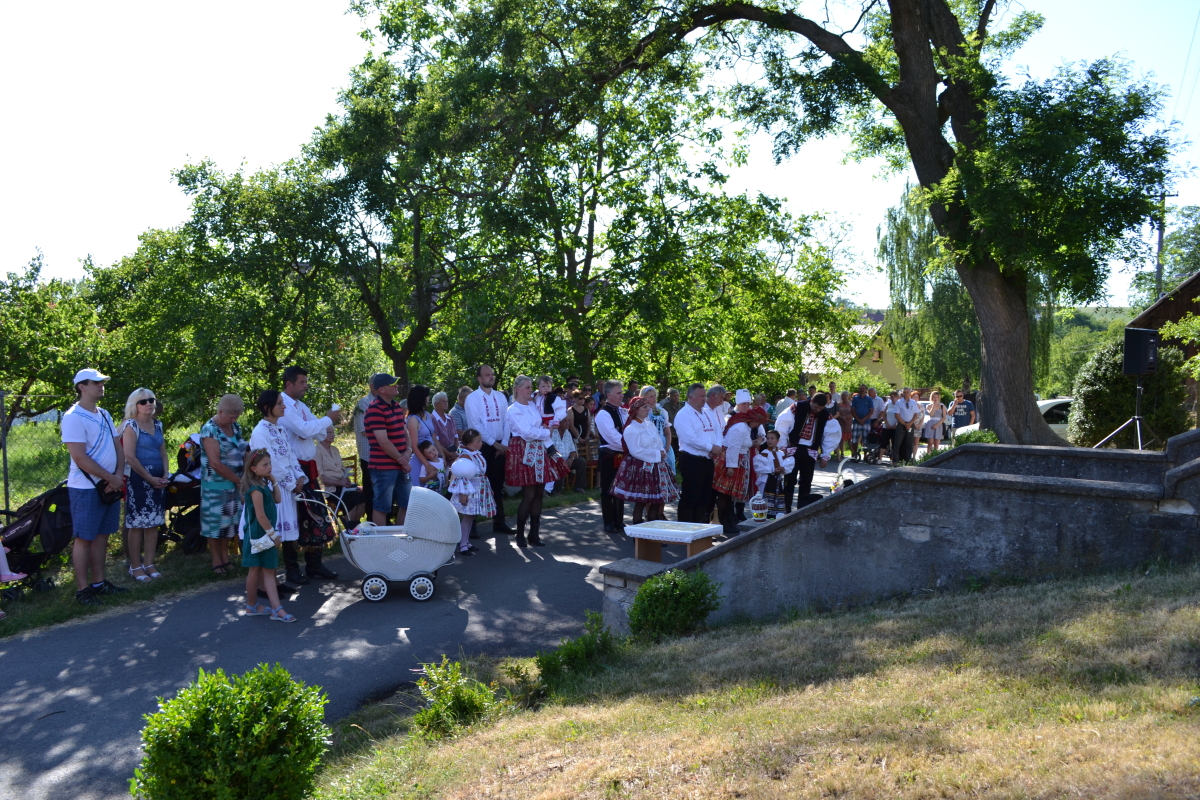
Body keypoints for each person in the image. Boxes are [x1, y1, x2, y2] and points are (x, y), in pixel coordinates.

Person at [61, 369, 128, 606]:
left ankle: (99, 583)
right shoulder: (73, 417)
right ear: (82, 386)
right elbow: (79, 457)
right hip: (86, 488)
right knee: (84, 538)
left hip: (110, 484)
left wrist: (118, 475)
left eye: (102, 382)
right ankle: (83, 590)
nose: (101, 386)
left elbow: (118, 447)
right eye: (96, 382)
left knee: (102, 536)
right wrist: (110, 478)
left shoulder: (105, 414)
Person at [278, 366, 341, 582]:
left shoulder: (301, 406)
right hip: (292, 468)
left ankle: (314, 564)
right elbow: (305, 430)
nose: (306, 386)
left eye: (306, 382)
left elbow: (320, 432)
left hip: (307, 467)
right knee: (294, 517)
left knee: (316, 514)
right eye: (302, 382)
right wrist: (327, 419)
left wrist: (317, 425)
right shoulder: (284, 405)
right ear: (289, 384)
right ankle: (292, 569)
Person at [505, 375, 570, 547]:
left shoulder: (533, 405)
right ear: (517, 389)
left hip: (539, 449)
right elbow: (527, 432)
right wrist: (547, 431)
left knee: (539, 493)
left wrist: (547, 428)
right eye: (527, 387)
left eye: (531, 386)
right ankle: (520, 533)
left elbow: (542, 423)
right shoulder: (513, 409)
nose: (530, 390)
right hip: (524, 450)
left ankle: (534, 533)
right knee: (529, 494)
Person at [250, 390, 305, 585]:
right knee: (274, 532)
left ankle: (291, 571)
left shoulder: (279, 428)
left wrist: (300, 476)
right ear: (267, 407)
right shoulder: (260, 432)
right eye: (280, 403)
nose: (284, 406)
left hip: (287, 489)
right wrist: (291, 484)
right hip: (273, 489)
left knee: (288, 532)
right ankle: (269, 582)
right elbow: (270, 463)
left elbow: (290, 455)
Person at [238, 448, 295, 623]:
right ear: (253, 469)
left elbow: (278, 499)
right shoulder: (255, 489)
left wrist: (274, 481)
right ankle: (262, 607)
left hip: (264, 534)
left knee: (266, 570)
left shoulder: (263, 484)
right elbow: (261, 516)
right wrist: (273, 535)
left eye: (269, 463)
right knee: (257, 569)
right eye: (265, 464)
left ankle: (262, 607)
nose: (269, 467)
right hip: (259, 535)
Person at [120, 388, 169, 582]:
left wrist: (165, 473)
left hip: (158, 481)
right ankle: (135, 566)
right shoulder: (131, 425)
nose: (148, 404)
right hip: (139, 481)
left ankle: (149, 563)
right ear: (135, 405)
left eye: (151, 400)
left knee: (154, 523)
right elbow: (130, 457)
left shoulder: (158, 424)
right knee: (137, 524)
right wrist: (149, 478)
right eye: (143, 401)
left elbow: (163, 452)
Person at [199, 394, 248, 576]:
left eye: (236, 416)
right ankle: (216, 560)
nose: (233, 420)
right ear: (220, 411)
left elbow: (243, 450)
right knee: (215, 527)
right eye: (230, 416)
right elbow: (215, 463)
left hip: (233, 487)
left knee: (228, 524)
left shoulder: (235, 427)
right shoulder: (209, 430)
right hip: (215, 488)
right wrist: (238, 480)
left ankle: (225, 558)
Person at [611, 397, 679, 525]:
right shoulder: (631, 429)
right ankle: (638, 530)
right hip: (641, 467)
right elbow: (635, 451)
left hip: (657, 465)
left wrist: (662, 451)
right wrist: (657, 454)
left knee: (657, 499)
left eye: (648, 407)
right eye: (645, 407)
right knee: (642, 501)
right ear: (636, 410)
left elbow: (658, 441)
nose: (648, 409)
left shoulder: (649, 424)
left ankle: (652, 527)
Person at [712, 390, 770, 536]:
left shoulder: (745, 426)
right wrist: (731, 467)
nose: (757, 425)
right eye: (758, 422)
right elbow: (733, 447)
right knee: (724, 494)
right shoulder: (740, 427)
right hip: (731, 460)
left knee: (729, 494)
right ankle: (724, 521)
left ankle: (730, 518)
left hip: (737, 459)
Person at [465, 365, 514, 534]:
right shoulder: (472, 398)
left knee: (497, 485)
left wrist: (504, 443)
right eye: (487, 375)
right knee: (477, 485)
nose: (491, 377)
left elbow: (507, 421)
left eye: (492, 374)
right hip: (481, 447)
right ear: (479, 378)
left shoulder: (500, 396)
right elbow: (475, 424)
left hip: (500, 447)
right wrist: (494, 443)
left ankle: (499, 522)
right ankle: (471, 526)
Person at [775, 392, 841, 510]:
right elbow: (782, 426)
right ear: (811, 401)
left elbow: (831, 435)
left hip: (810, 451)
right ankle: (786, 510)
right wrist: (783, 447)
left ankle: (802, 510)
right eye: (816, 407)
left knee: (806, 483)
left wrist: (825, 455)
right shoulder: (797, 407)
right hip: (793, 449)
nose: (817, 410)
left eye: (820, 408)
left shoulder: (825, 415)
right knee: (789, 480)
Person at [363, 373, 412, 526]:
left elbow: (405, 432)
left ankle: (401, 535)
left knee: (407, 503)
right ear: (382, 389)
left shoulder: (396, 406)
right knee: (382, 506)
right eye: (392, 384)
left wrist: (408, 450)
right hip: (383, 467)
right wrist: (403, 460)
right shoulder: (374, 409)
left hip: (401, 464)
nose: (396, 386)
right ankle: (381, 539)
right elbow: (383, 442)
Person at [674, 382, 721, 523]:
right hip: (692, 460)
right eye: (701, 396)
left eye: (705, 396)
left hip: (708, 460)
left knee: (705, 497)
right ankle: (686, 528)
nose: (704, 399)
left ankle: (700, 528)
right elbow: (690, 438)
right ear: (690, 397)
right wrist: (710, 447)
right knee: (691, 496)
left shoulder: (707, 412)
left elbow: (718, 430)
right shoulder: (683, 414)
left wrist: (717, 447)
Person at [448, 429, 495, 556]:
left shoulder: (475, 453)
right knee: (468, 517)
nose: (481, 443)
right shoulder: (465, 456)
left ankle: (466, 541)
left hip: (478, 488)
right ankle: (462, 544)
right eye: (477, 441)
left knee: (472, 517)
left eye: (480, 440)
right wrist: (463, 494)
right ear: (469, 444)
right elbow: (461, 476)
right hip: (469, 490)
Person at [595, 380, 629, 533]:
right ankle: (608, 522)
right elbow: (612, 437)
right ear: (609, 395)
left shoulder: (622, 411)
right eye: (618, 393)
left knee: (620, 489)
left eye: (622, 392)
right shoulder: (603, 413)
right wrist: (630, 446)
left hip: (623, 454)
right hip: (609, 455)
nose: (622, 395)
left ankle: (619, 520)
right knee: (608, 489)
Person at [315, 426, 364, 521]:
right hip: (329, 488)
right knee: (351, 501)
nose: (332, 435)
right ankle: (347, 527)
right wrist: (340, 483)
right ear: (321, 435)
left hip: (342, 485)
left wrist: (346, 479)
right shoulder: (317, 451)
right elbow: (319, 478)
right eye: (329, 432)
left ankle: (355, 526)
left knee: (362, 498)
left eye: (333, 432)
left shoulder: (335, 449)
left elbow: (342, 469)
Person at [407, 385, 451, 486]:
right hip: (421, 461)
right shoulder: (413, 419)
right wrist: (427, 465)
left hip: (432, 458)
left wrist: (442, 455)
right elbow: (414, 446)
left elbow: (434, 437)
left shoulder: (427, 414)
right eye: (426, 396)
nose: (428, 398)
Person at [353, 377, 381, 524]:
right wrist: (384, 436)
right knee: (370, 490)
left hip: (383, 455)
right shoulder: (363, 403)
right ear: (371, 386)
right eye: (379, 385)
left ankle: (383, 521)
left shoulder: (384, 402)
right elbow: (364, 430)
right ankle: (371, 522)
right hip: (369, 455)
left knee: (381, 490)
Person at [752, 430, 795, 518]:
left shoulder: (781, 453)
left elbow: (787, 464)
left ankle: (775, 517)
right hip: (767, 480)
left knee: (778, 499)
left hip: (778, 481)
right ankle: (762, 517)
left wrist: (783, 468)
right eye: (768, 438)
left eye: (772, 438)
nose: (769, 440)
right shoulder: (764, 453)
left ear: (777, 440)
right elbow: (759, 467)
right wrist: (772, 469)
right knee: (765, 500)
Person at [640, 386, 675, 477]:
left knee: (667, 472)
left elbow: (667, 431)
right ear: (644, 398)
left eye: (655, 395)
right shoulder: (643, 413)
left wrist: (667, 447)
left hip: (663, 442)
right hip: (649, 443)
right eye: (651, 396)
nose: (654, 398)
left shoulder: (662, 411)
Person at [563, 389, 591, 492]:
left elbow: (589, 424)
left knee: (584, 461)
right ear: (574, 399)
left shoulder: (586, 410)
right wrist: (579, 438)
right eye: (580, 398)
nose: (582, 400)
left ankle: (582, 484)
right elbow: (571, 425)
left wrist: (587, 437)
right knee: (575, 460)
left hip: (585, 439)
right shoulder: (570, 410)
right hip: (574, 439)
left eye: (583, 398)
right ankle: (570, 483)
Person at [892, 388, 923, 463]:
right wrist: (905, 424)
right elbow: (897, 415)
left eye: (907, 392)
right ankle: (896, 460)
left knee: (909, 443)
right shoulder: (899, 402)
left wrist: (910, 423)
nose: (906, 393)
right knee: (897, 443)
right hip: (901, 424)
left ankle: (907, 460)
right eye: (904, 392)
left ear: (909, 393)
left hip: (910, 424)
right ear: (902, 393)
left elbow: (916, 414)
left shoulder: (913, 402)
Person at [430, 391, 459, 461]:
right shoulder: (432, 418)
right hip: (440, 456)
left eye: (446, 401)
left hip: (454, 455)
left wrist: (457, 452)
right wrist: (448, 454)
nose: (446, 403)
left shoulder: (450, 418)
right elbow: (435, 441)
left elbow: (456, 438)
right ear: (436, 404)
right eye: (443, 401)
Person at [849, 385, 874, 460]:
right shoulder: (855, 398)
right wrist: (858, 419)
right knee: (854, 439)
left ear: (866, 390)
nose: (862, 390)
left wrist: (863, 420)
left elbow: (871, 411)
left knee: (865, 440)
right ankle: (855, 454)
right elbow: (852, 410)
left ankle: (865, 455)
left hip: (866, 422)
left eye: (863, 388)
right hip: (856, 422)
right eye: (861, 388)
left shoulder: (869, 399)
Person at [835, 391, 853, 459]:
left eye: (845, 396)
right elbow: (837, 413)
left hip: (848, 422)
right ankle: (842, 453)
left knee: (849, 438)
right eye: (843, 396)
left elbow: (853, 413)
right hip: (841, 422)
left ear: (848, 396)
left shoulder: (851, 404)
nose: (844, 397)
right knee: (841, 438)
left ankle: (853, 453)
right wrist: (842, 418)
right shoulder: (839, 404)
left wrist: (846, 417)